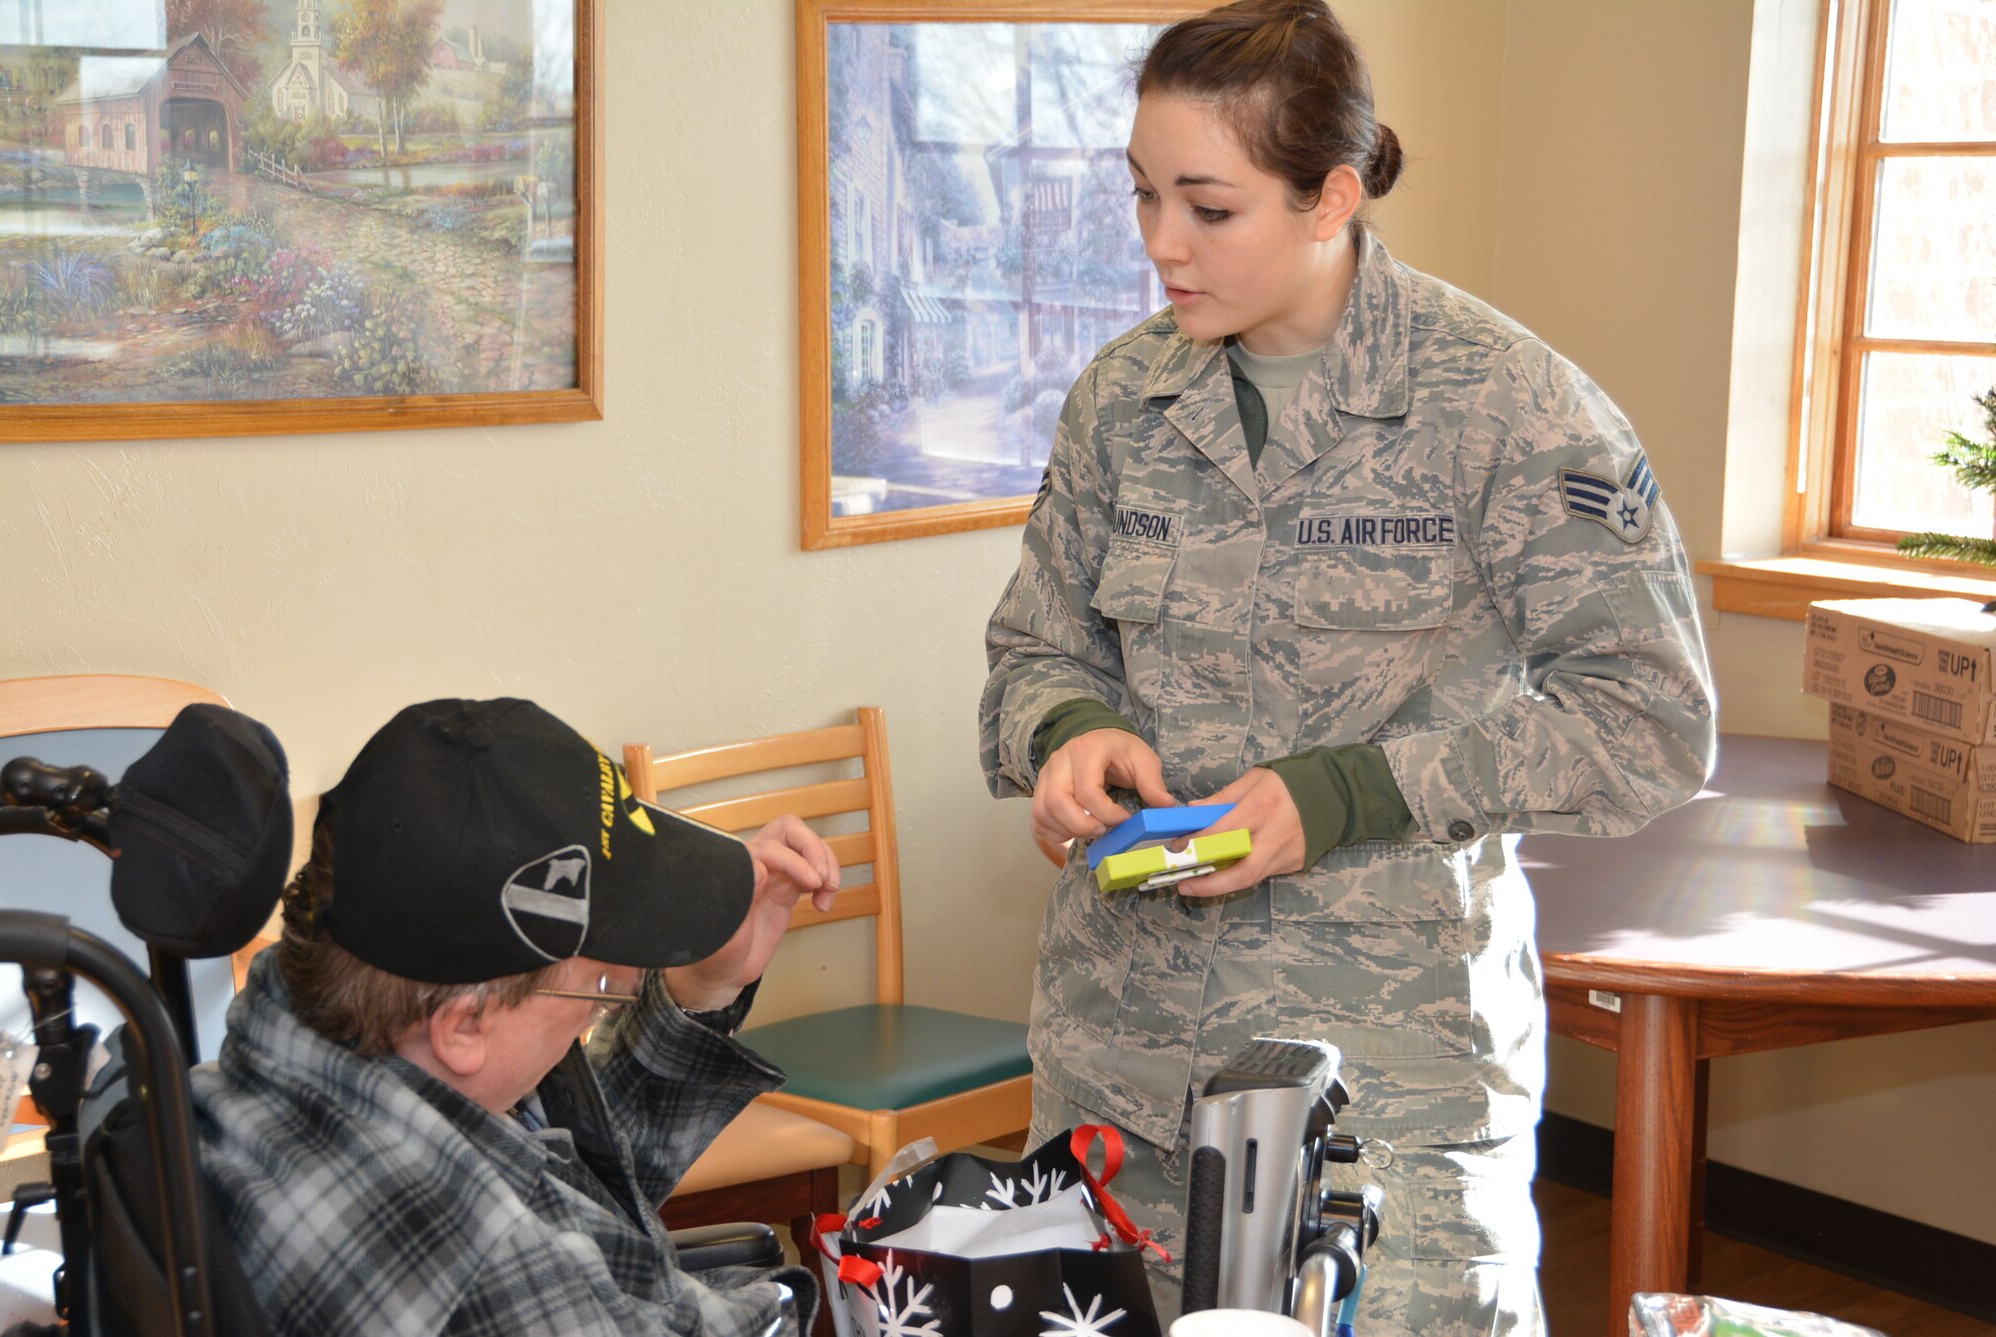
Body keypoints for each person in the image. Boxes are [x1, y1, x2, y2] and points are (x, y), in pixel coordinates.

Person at [978, 1, 1715, 1331]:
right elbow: (1038, 639)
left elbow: (1648, 723)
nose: (1161, 244)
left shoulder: (1509, 407)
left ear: (1331, 196)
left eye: (1210, 207)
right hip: (1124, 1076)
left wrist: (1347, 794)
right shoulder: (1122, 401)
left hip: (1387, 1096)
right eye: (1144, 196)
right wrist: (1068, 730)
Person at [192, 697, 841, 1336]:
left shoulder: (279, 1060)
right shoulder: (493, 1270)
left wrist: (700, 987)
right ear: (464, 1026)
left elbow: (569, 1189)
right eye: (602, 985)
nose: (624, 983)